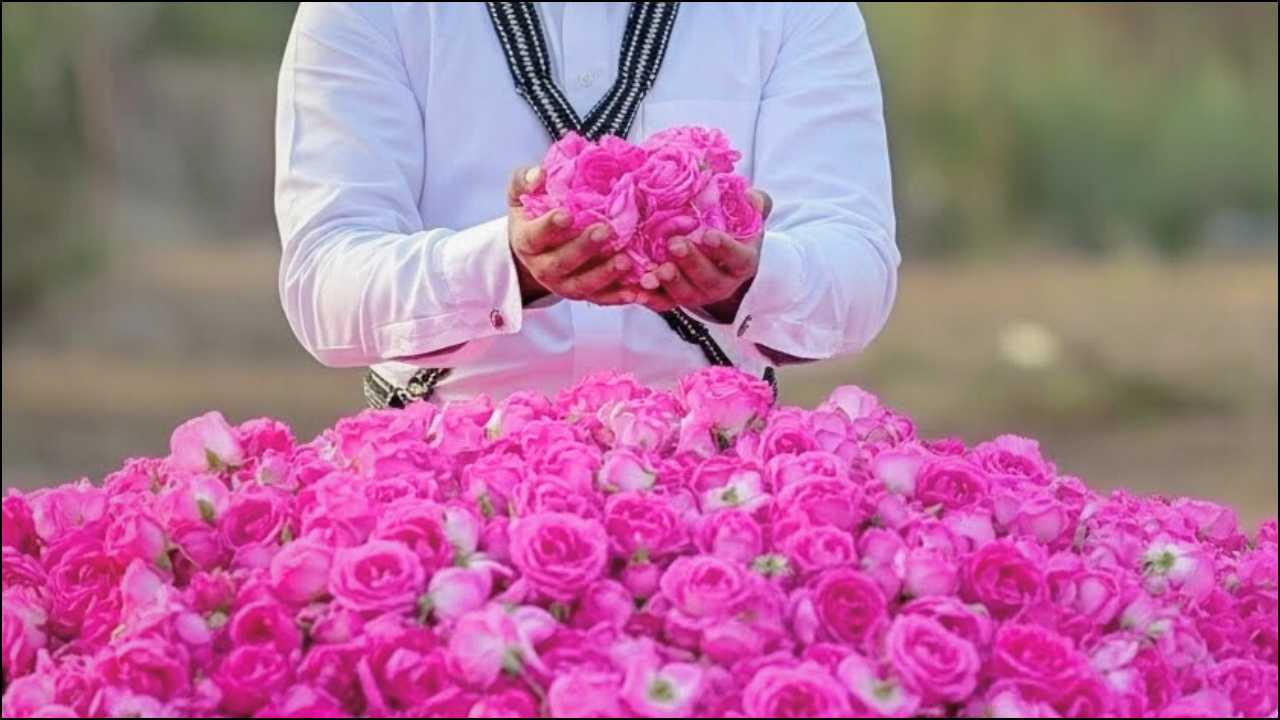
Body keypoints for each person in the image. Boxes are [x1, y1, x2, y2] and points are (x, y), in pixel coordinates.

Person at [275, 2, 899, 406]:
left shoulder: (797, 11)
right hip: (443, 485)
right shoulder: (366, 11)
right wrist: (503, 268)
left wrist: (748, 277)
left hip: (718, 485)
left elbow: (858, 268)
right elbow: (324, 285)